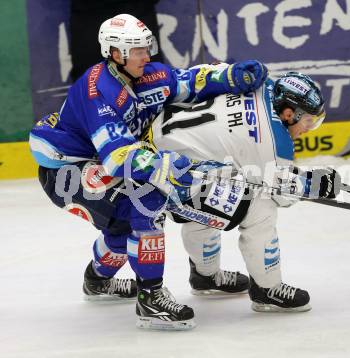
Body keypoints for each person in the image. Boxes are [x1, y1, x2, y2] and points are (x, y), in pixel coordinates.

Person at [29, 14, 268, 330]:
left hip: (96, 162)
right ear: (115, 53)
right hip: (68, 170)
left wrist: (231, 78)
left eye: (146, 47)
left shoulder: (148, 75)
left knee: (121, 230)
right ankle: (151, 300)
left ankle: (97, 281)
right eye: (138, 50)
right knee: (147, 202)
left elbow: (188, 83)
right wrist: (166, 167)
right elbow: (118, 157)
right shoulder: (97, 90)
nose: (147, 55)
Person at [147, 69, 340, 312]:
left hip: (153, 144)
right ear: (289, 113)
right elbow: (281, 193)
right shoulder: (272, 141)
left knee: (217, 191)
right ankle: (267, 289)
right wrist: (317, 184)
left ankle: (205, 275)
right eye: (308, 122)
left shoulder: (262, 85)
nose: (308, 128)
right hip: (162, 175)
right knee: (260, 206)